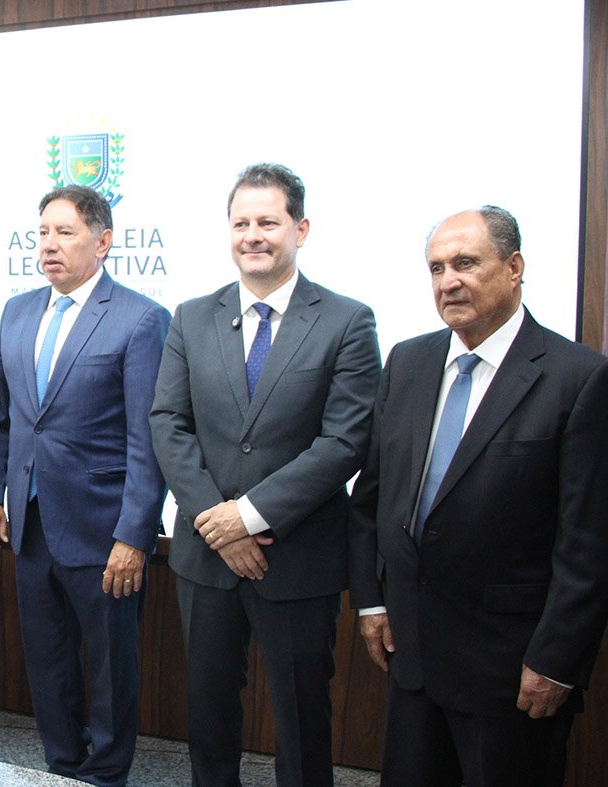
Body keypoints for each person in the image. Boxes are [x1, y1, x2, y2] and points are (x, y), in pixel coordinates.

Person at [348, 206, 608, 786]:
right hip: (412, 656)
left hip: (511, 671)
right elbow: (373, 497)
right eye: (437, 268)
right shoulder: (408, 361)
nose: (449, 281)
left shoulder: (577, 377)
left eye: (466, 263)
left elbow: (588, 543)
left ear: (514, 267)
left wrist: (556, 659)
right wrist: (371, 602)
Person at [149, 163, 381, 786]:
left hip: (298, 558)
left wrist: (247, 517)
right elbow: (168, 422)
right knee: (208, 713)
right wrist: (218, 524)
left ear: (300, 230)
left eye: (268, 222)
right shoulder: (191, 317)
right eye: (241, 223)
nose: (252, 235)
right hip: (206, 558)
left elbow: (344, 442)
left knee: (302, 720)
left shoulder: (347, 321)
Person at [0, 184, 170, 787]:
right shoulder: (17, 312)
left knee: (111, 670)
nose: (49, 245)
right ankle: (61, 768)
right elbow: (7, 421)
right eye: (42, 233)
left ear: (103, 241)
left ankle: (105, 776)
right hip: (31, 525)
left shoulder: (141, 318)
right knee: (48, 663)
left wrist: (134, 535)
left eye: (64, 232)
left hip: (104, 531)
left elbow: (148, 441)